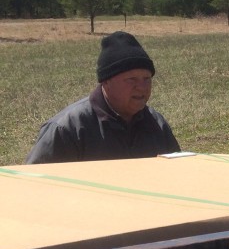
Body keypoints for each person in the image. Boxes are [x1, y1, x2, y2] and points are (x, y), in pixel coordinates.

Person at [26, 31, 180, 164]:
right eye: (131, 79)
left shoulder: (156, 124)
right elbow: (34, 183)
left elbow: (178, 174)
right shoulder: (67, 129)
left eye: (147, 79)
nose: (142, 87)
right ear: (106, 81)